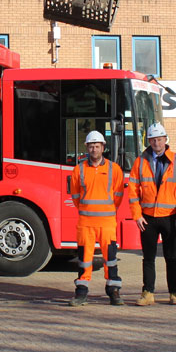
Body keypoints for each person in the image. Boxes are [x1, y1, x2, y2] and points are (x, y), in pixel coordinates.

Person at [127, 122, 176, 306]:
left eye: (159, 139)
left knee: (171, 256)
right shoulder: (141, 161)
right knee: (148, 257)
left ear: (165, 139)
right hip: (147, 218)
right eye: (153, 139)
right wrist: (137, 215)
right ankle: (148, 292)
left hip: (170, 217)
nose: (156, 142)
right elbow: (133, 190)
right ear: (149, 141)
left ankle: (174, 293)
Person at [68, 130, 126, 306]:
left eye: (97, 146)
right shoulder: (79, 170)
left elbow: (118, 195)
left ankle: (113, 292)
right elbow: (75, 195)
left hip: (107, 223)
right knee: (84, 260)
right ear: (87, 148)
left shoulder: (113, 169)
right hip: (86, 224)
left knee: (111, 260)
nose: (94, 149)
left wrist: (105, 210)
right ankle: (81, 292)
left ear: (103, 147)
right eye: (91, 146)